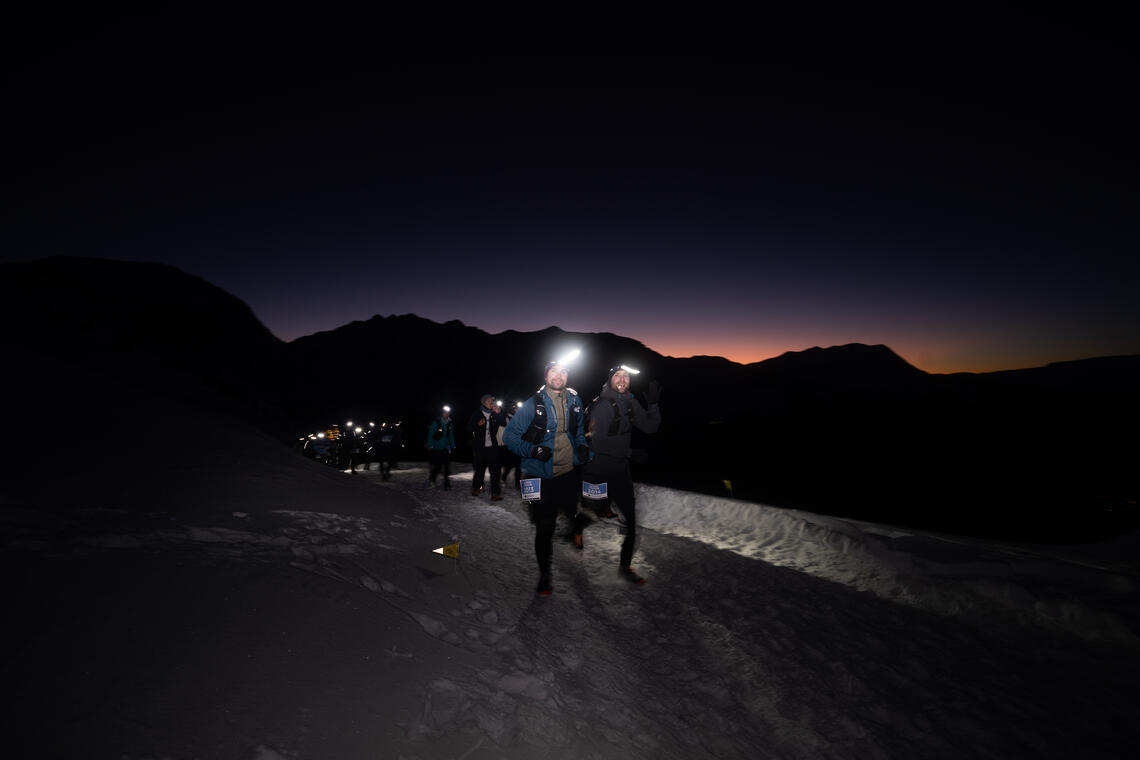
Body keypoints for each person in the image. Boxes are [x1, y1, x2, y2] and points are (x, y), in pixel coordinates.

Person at [504, 357, 591, 596]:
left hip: (566, 473)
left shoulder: (575, 400)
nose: (558, 376)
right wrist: (532, 450)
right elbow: (510, 437)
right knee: (544, 526)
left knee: (571, 509)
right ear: (545, 376)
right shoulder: (533, 404)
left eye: (563, 372)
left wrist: (583, 447)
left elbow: (580, 432)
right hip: (535, 474)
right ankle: (545, 575)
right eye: (553, 371)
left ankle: (573, 530)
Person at [581, 366, 662, 584]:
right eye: (617, 375)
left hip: (620, 471)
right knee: (591, 510)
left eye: (626, 376)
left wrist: (653, 405)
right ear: (609, 380)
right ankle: (576, 529)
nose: (622, 379)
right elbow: (596, 442)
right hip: (597, 470)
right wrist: (629, 452)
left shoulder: (630, 402)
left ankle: (625, 566)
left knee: (631, 519)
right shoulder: (602, 406)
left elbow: (650, 426)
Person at [467, 394, 507, 500]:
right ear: (484, 403)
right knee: (480, 469)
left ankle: (495, 493)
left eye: (492, 401)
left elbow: (504, 423)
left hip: (492, 447)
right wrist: (477, 425)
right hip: (479, 447)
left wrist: (499, 413)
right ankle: (476, 488)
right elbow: (469, 428)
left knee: (495, 470)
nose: (491, 403)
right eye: (489, 401)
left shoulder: (495, 413)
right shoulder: (477, 414)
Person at [426, 406, 455, 489]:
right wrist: (430, 445)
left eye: (448, 413)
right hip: (436, 448)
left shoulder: (450, 423)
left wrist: (453, 446)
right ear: (442, 413)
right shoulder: (436, 422)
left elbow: (451, 435)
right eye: (445, 413)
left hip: (446, 447)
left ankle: (446, 482)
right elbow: (430, 434)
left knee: (447, 465)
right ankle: (432, 480)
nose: (447, 414)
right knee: (437, 466)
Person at [498, 401, 521, 489]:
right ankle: (504, 476)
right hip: (511, 445)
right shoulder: (508, 418)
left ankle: (517, 483)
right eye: (515, 408)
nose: (517, 410)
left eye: (518, 409)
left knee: (519, 465)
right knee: (510, 464)